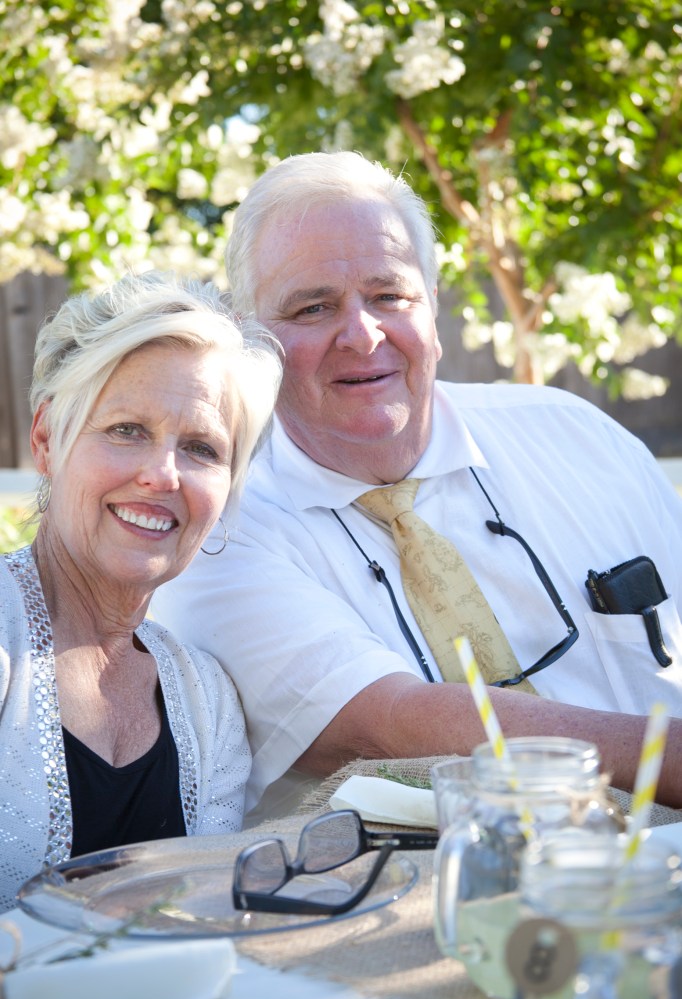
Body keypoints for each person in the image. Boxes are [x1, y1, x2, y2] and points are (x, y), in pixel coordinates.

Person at [153, 151, 682, 822]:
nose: (362, 333)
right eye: (313, 307)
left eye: (388, 295)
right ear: (251, 336)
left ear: (433, 300)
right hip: (419, 907)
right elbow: (392, 724)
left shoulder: (576, 435)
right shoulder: (220, 531)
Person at [0, 269, 282, 911]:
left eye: (203, 449)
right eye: (127, 430)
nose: (162, 475)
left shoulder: (207, 699)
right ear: (47, 439)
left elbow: (209, 919)